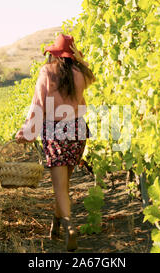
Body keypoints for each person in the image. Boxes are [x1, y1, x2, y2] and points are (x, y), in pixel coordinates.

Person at [15, 34, 95, 252]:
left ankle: (70, 228)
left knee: (60, 187)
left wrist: (27, 131)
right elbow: (90, 72)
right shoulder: (81, 73)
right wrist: (78, 57)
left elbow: (38, 105)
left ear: (54, 54)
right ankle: (56, 222)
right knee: (64, 185)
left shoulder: (46, 72)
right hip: (77, 130)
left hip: (55, 131)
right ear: (71, 55)